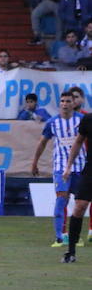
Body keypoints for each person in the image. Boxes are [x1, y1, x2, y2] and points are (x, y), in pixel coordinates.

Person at [32, 92, 85, 249]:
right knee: (61, 199)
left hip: (81, 167)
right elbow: (42, 143)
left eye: (68, 101)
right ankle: (60, 237)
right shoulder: (52, 122)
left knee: (80, 204)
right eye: (62, 101)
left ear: (74, 103)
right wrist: (35, 162)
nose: (64, 104)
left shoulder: (81, 120)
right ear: (59, 103)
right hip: (60, 167)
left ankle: (76, 237)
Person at [60, 106, 92, 263]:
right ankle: (71, 252)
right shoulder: (88, 119)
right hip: (90, 169)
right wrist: (68, 166)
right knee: (79, 207)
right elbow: (78, 142)